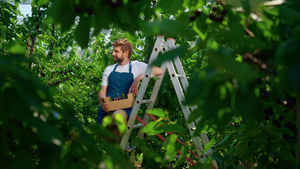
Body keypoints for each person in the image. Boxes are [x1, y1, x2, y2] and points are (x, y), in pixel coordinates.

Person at [97, 38, 163, 140]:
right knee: (108, 141)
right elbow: (102, 91)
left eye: (116, 51)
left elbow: (158, 71)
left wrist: (139, 78)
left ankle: (119, 147)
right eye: (113, 51)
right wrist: (102, 100)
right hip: (108, 108)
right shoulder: (109, 69)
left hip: (125, 108)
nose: (113, 54)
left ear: (126, 53)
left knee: (117, 117)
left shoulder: (136, 66)